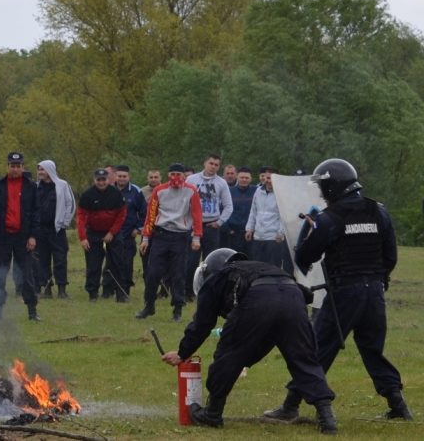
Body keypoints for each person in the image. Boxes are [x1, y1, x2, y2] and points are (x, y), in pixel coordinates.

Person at [263, 158, 413, 422]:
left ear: (333, 186)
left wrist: (310, 231)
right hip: (374, 291)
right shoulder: (378, 210)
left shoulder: (329, 218)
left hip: (345, 293)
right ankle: (398, 405)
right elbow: (390, 255)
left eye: (323, 186)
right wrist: (378, 277)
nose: (321, 192)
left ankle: (291, 405)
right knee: (372, 349)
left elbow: (305, 257)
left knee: (318, 348)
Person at [161, 248, 337, 433]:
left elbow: (202, 324)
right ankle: (327, 418)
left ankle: (212, 413)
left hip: (259, 299)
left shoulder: (219, 276)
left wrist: (183, 353)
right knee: (304, 359)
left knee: (228, 354)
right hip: (294, 297)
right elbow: (304, 294)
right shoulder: (260, 267)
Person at [136, 163, 202, 321]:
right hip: (161, 235)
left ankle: (177, 309)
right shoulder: (159, 190)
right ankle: (149, 305)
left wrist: (196, 237)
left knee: (178, 274)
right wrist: (145, 238)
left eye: (179, 175)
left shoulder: (191, 190)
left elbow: (197, 214)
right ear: (168, 176)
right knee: (152, 273)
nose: (176, 178)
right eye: (173, 174)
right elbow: (151, 216)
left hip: (180, 236)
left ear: (183, 176)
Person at [0, 151, 39, 321]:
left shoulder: (31, 186)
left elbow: (36, 213)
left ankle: (32, 311)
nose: (15, 169)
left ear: (23, 167)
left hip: (23, 238)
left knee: (27, 275)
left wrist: (33, 236)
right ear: (7, 167)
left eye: (18, 166)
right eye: (12, 166)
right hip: (3, 237)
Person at [185, 154, 233, 300]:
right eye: (211, 163)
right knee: (191, 261)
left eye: (216, 164)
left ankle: (208, 292)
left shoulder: (221, 183)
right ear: (205, 163)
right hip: (194, 227)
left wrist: (219, 222)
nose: (213, 166)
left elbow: (228, 206)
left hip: (212, 226)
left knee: (210, 262)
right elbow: (184, 202)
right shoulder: (191, 180)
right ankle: (188, 292)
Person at [76, 168, 126, 302]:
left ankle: (120, 293)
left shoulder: (116, 193)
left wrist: (112, 232)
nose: (101, 182)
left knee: (117, 263)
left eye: (104, 180)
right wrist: (83, 237)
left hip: (113, 233)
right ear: (95, 180)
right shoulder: (87, 195)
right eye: (99, 180)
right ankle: (92, 293)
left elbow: (121, 215)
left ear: (108, 180)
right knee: (93, 265)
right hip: (93, 233)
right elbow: (81, 217)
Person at [30, 160, 75, 298]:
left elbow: (70, 204)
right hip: (41, 230)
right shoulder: (36, 187)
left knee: (60, 259)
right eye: (39, 170)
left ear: (49, 170)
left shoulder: (62, 185)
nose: (40, 173)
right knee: (43, 260)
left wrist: (64, 222)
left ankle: (62, 289)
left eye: (42, 169)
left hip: (57, 230)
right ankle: (47, 288)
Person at [111, 165, 147, 300]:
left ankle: (124, 292)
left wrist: (138, 229)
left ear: (128, 177)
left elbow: (144, 213)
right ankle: (109, 290)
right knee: (111, 264)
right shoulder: (109, 190)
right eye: (119, 176)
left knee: (126, 265)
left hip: (127, 235)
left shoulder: (136, 192)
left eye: (124, 176)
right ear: (115, 176)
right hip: (111, 235)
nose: (121, 179)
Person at [244, 171, 288, 270]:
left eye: (271, 178)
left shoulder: (281, 194)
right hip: (258, 237)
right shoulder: (258, 191)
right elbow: (253, 211)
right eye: (267, 178)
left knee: (272, 268)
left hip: (273, 238)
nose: (268, 181)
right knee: (257, 267)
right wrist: (249, 229)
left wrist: (281, 233)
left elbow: (284, 216)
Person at [224, 167, 255, 256]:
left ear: (251, 179)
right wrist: (228, 229)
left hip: (250, 233)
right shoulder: (229, 191)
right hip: (233, 233)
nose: (244, 180)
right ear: (237, 177)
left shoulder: (256, 191)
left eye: (246, 178)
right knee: (234, 259)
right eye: (242, 177)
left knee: (250, 260)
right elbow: (223, 210)